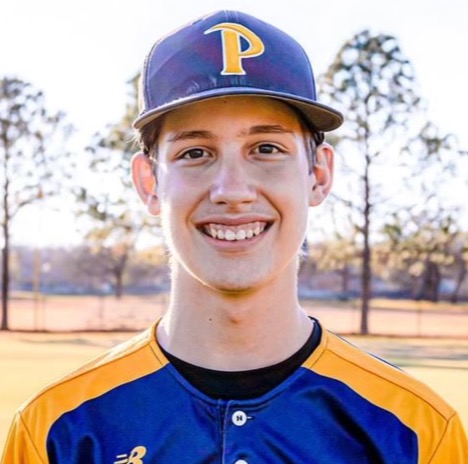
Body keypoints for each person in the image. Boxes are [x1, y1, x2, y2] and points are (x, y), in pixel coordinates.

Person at [2, 10, 468, 464]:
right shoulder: (56, 431)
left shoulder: (415, 431)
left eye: (266, 148)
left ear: (319, 174)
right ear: (149, 182)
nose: (232, 190)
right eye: (195, 152)